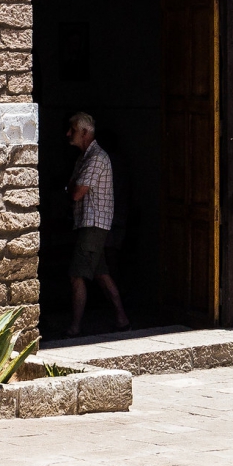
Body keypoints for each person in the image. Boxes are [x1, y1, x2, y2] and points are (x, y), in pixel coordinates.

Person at [65, 112, 129, 336]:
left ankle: (74, 327)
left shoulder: (96, 158)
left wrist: (70, 187)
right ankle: (122, 318)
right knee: (101, 273)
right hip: (90, 224)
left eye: (72, 129)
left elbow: (75, 193)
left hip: (93, 225)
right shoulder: (84, 158)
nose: (68, 133)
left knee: (77, 275)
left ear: (84, 132)